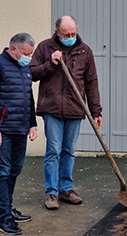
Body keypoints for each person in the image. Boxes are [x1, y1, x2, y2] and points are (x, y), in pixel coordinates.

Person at [30, 15, 101, 210]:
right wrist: (50, 63)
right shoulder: (45, 48)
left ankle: (65, 189)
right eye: (66, 34)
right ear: (57, 33)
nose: (70, 37)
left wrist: (96, 111)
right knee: (54, 150)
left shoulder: (85, 51)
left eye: (73, 33)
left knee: (69, 151)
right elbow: (32, 73)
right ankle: (51, 193)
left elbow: (91, 83)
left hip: (75, 108)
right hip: (51, 108)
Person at [0, 33, 38, 235]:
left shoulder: (24, 68)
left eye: (31, 54)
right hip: (2, 131)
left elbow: (28, 97)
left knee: (14, 171)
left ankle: (8, 209)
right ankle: (3, 218)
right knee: (2, 173)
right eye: (26, 53)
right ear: (14, 49)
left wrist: (32, 124)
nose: (29, 57)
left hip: (20, 129)